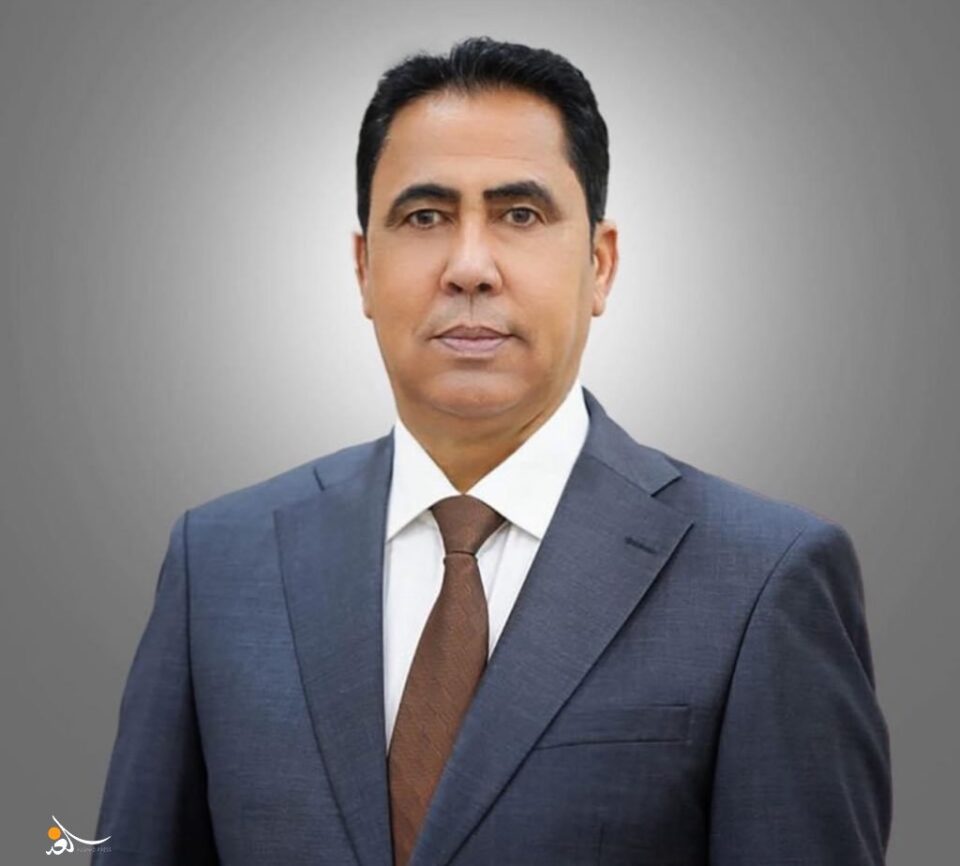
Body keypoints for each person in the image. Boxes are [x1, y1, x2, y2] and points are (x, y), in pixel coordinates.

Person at [93, 36, 892, 865]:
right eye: (425, 217)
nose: (469, 267)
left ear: (601, 265)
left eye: (520, 215)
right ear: (363, 268)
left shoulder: (762, 579)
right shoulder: (222, 563)